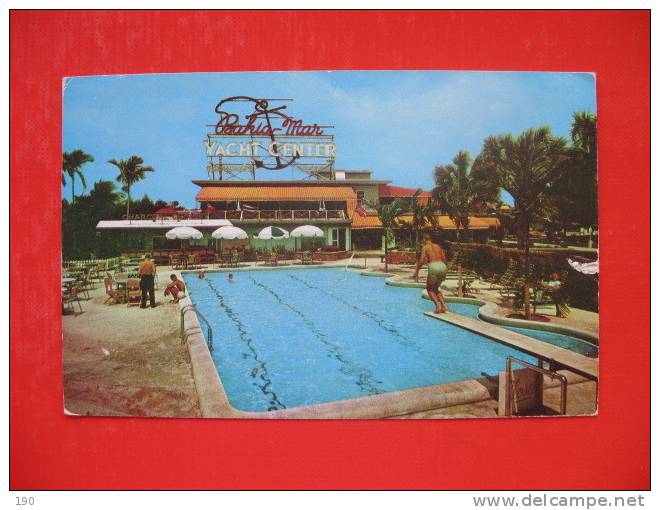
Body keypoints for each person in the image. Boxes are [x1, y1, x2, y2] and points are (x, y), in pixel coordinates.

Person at [413, 234, 448, 314]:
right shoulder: (438, 246)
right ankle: (444, 306)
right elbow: (445, 260)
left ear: (425, 239)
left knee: (429, 289)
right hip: (443, 266)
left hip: (434, 266)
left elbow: (421, 261)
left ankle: (438, 306)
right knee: (435, 289)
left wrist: (417, 271)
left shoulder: (425, 247)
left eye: (422, 240)